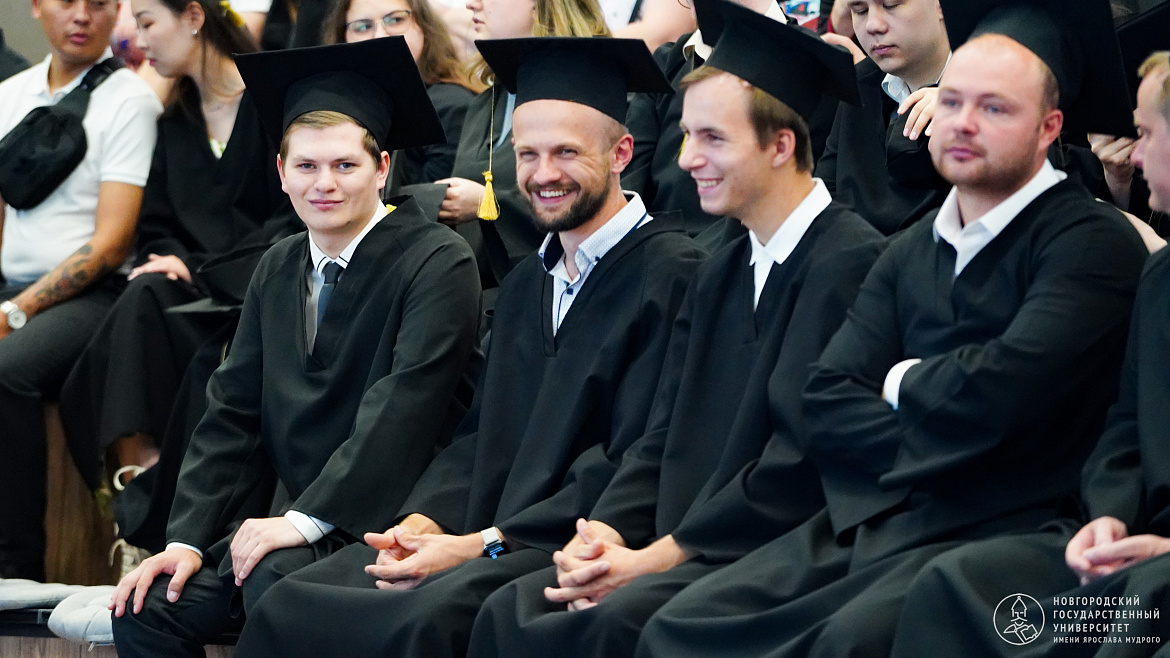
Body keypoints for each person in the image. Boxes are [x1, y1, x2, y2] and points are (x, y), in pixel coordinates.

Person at [634, 1, 1149, 656]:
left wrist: (899, 382)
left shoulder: (1089, 241)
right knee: (684, 624)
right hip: (885, 515)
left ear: (1050, 127)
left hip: (1004, 525)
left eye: (994, 108)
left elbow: (1008, 389)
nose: (961, 123)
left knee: (848, 641)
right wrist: (937, 430)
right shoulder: (912, 247)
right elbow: (828, 399)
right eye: (951, 100)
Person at [232, 36, 705, 658]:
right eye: (527, 154)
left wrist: (481, 542)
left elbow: (638, 451)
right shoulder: (527, 283)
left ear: (621, 153)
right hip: (484, 533)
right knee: (292, 601)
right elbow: (481, 435)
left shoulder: (675, 276)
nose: (543, 174)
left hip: (568, 539)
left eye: (566, 152)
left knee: (422, 621)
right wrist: (423, 521)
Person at [467, 6, 883, 657]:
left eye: (712, 138)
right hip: (693, 536)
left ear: (781, 146)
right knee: (515, 608)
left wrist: (657, 556)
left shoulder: (850, 265)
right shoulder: (721, 269)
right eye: (686, 136)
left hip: (789, 546)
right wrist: (605, 534)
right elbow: (662, 435)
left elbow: (797, 462)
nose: (686, 160)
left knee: (606, 624)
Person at [107, 37, 482, 657]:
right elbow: (232, 413)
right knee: (149, 608)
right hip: (289, 521)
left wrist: (303, 521)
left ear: (383, 169)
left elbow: (403, 409)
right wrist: (186, 541)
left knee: (277, 585)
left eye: (345, 166)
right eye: (306, 166)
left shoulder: (437, 260)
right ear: (281, 174)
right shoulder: (278, 265)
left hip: (383, 517)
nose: (324, 184)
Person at [888, 49, 1170, 658]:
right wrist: (1110, 518)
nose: (1134, 155)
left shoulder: (1099, 245)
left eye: (1147, 135)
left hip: (1161, 575)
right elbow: (1127, 427)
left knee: (1107, 632)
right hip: (1135, 545)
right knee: (957, 586)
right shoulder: (1162, 274)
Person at [58, 0, 298, 496]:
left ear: (193, 16)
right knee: (145, 293)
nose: (139, 40)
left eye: (148, 23)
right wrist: (179, 265)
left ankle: (139, 489)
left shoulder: (276, 105)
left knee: (144, 306)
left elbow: (291, 218)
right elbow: (157, 225)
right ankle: (140, 479)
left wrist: (198, 267)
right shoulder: (174, 121)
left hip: (265, 288)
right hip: (191, 296)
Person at [0, 0, 162, 581]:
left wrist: (16, 311)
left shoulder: (130, 101)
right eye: (67, 1)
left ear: (116, 12)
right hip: (13, 289)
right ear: (36, 7)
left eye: (99, 4)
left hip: (93, 296)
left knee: (6, 369)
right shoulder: (11, 93)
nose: (82, 16)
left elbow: (112, 243)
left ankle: (15, 569)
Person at [436, 0, 609, 289]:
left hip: (561, 288)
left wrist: (487, 203)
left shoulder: (595, 99)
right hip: (476, 294)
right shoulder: (486, 103)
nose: (472, 4)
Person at [621, 0, 789, 242]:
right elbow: (629, 184)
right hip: (652, 248)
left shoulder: (808, 69)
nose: (688, 160)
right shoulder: (669, 63)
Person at [814, 0, 952, 235]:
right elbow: (824, 202)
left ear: (940, 5)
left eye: (891, 4)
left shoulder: (986, 98)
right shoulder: (859, 85)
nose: (872, 25)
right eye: (860, 11)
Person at [322, 0, 478, 185]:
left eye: (396, 20)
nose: (380, 36)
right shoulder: (337, 109)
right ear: (343, 37)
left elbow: (437, 196)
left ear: (424, 26)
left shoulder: (450, 106)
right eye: (363, 27)